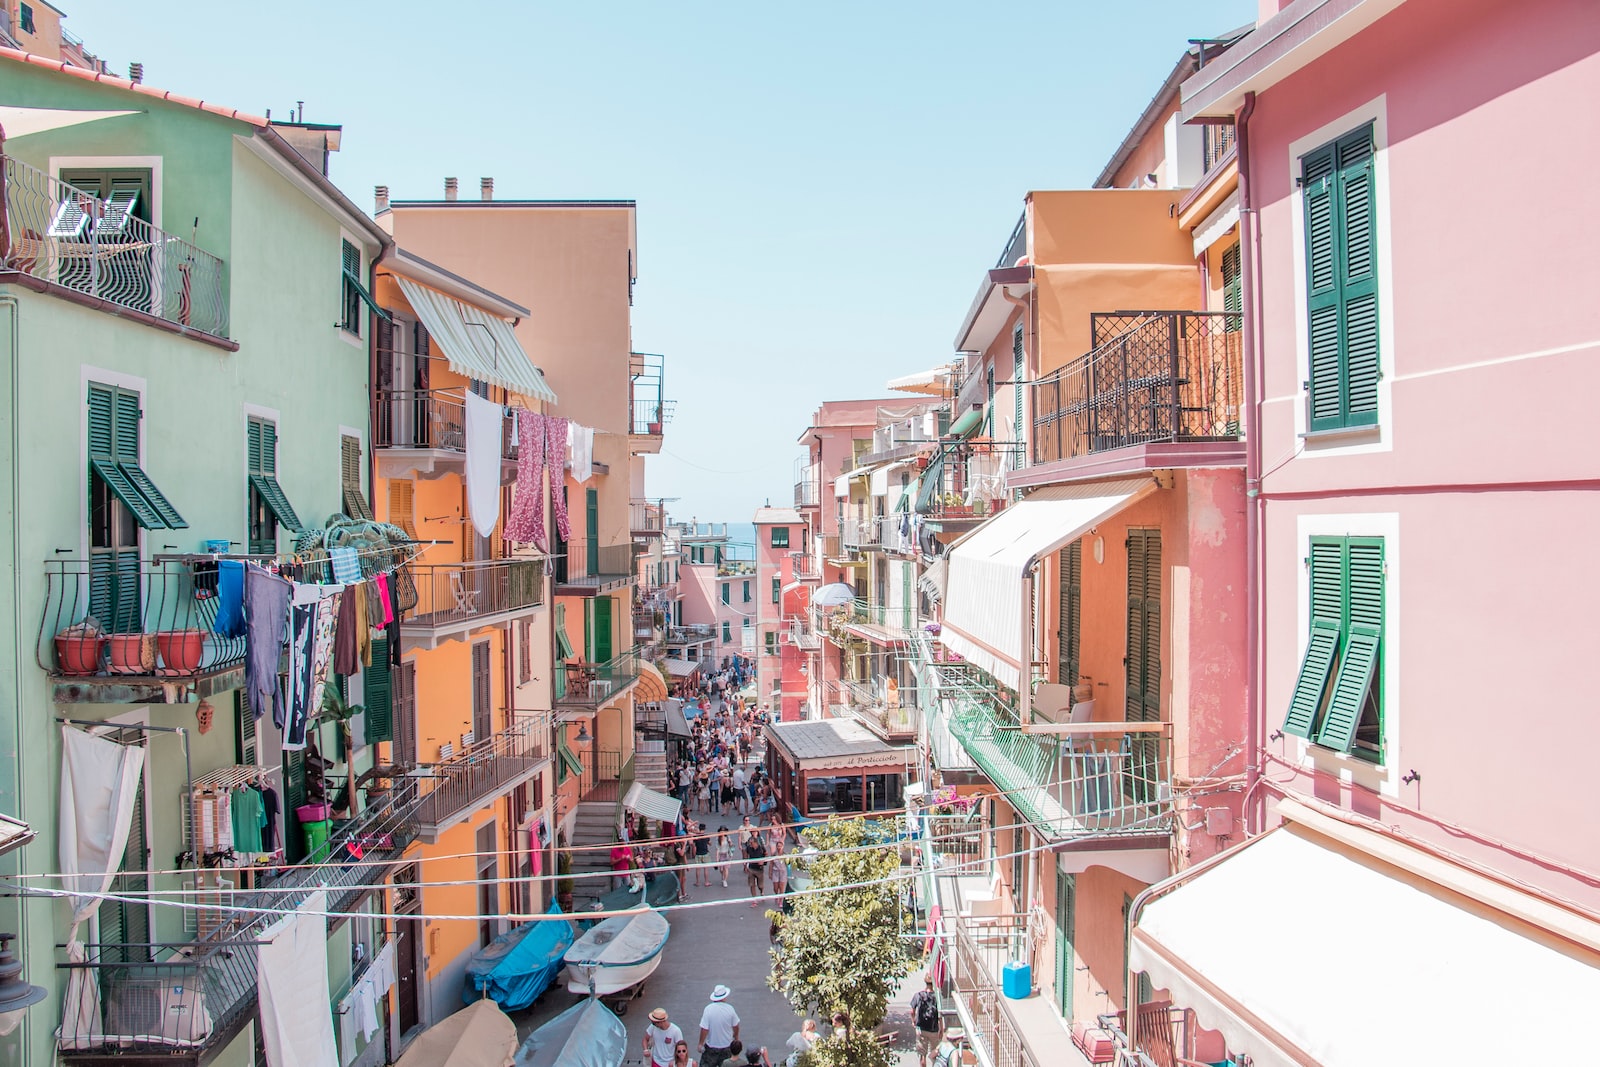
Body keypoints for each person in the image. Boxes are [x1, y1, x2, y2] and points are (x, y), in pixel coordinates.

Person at [698, 984, 740, 1067]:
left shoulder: (708, 1009)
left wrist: (700, 1043)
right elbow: (736, 1026)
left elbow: (704, 1029)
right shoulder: (730, 1009)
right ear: (724, 997)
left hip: (711, 1047)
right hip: (727, 1046)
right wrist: (736, 1037)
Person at [911, 974, 943, 1067]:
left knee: (922, 1055)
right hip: (934, 1029)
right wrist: (941, 1029)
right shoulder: (937, 996)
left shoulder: (918, 995)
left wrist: (913, 1021)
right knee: (935, 1054)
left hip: (922, 1029)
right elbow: (940, 1015)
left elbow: (912, 1011)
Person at [693, 821, 713, 887]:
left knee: (698, 869)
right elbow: (710, 844)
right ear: (704, 829)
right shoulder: (706, 836)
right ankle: (706, 882)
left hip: (698, 853)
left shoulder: (696, 837)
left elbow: (694, 845)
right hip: (705, 853)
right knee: (706, 869)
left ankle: (697, 882)